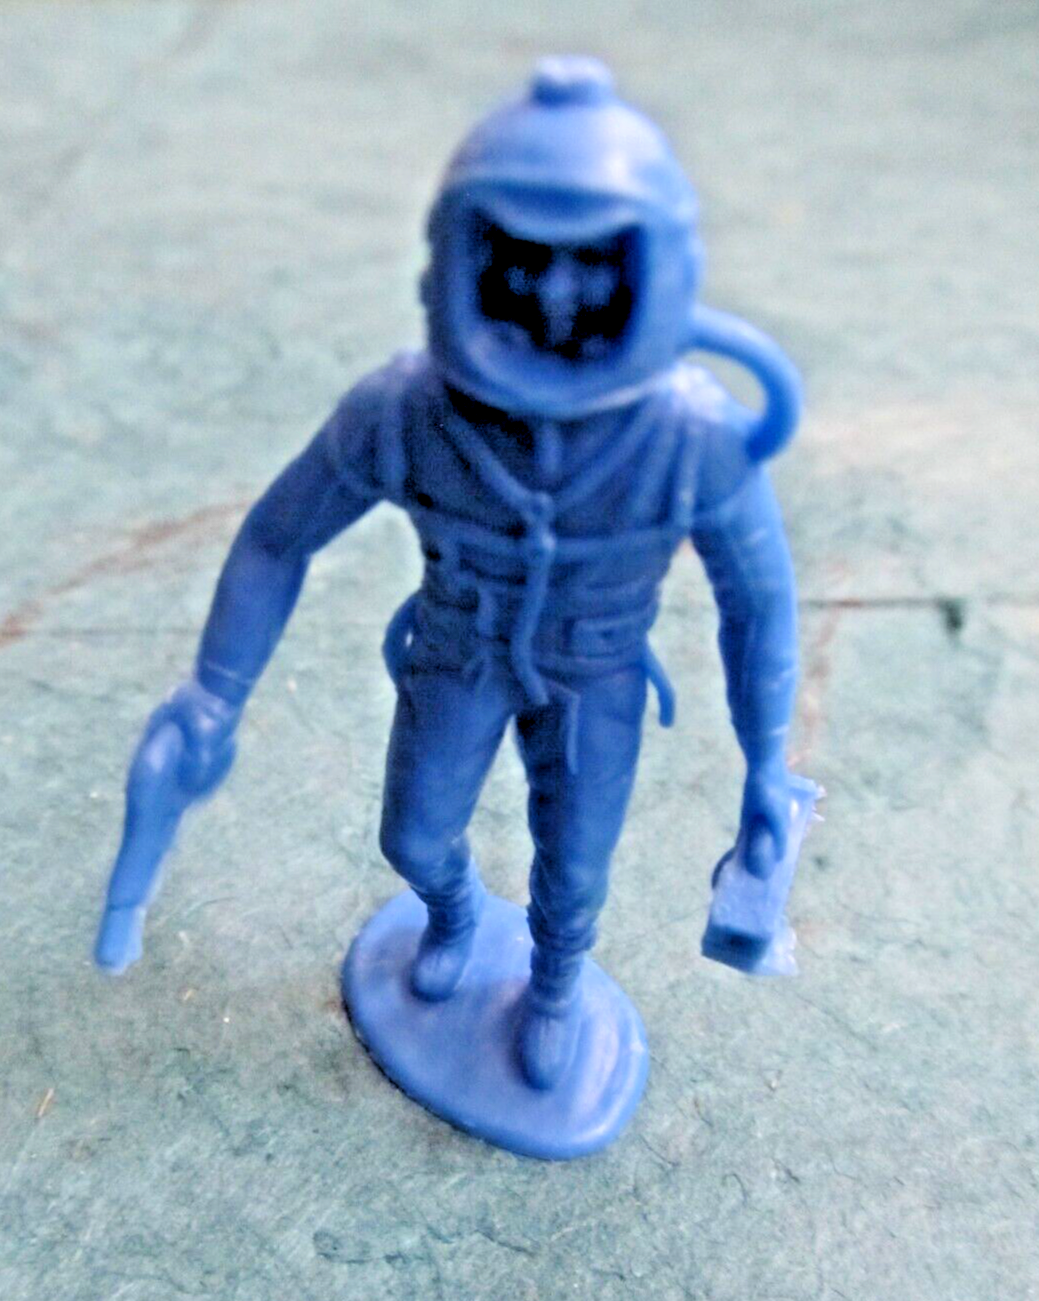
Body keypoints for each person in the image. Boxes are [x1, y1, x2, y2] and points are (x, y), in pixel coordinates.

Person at [97, 57, 802, 1094]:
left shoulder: (689, 437)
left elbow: (759, 602)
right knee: (415, 835)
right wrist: (215, 691)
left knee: (576, 866)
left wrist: (766, 761)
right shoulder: (403, 410)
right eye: (524, 258)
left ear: (650, 271)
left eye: (592, 264)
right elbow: (276, 539)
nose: (556, 293)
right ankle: (454, 913)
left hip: (595, 671)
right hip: (455, 651)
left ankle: (555, 983)